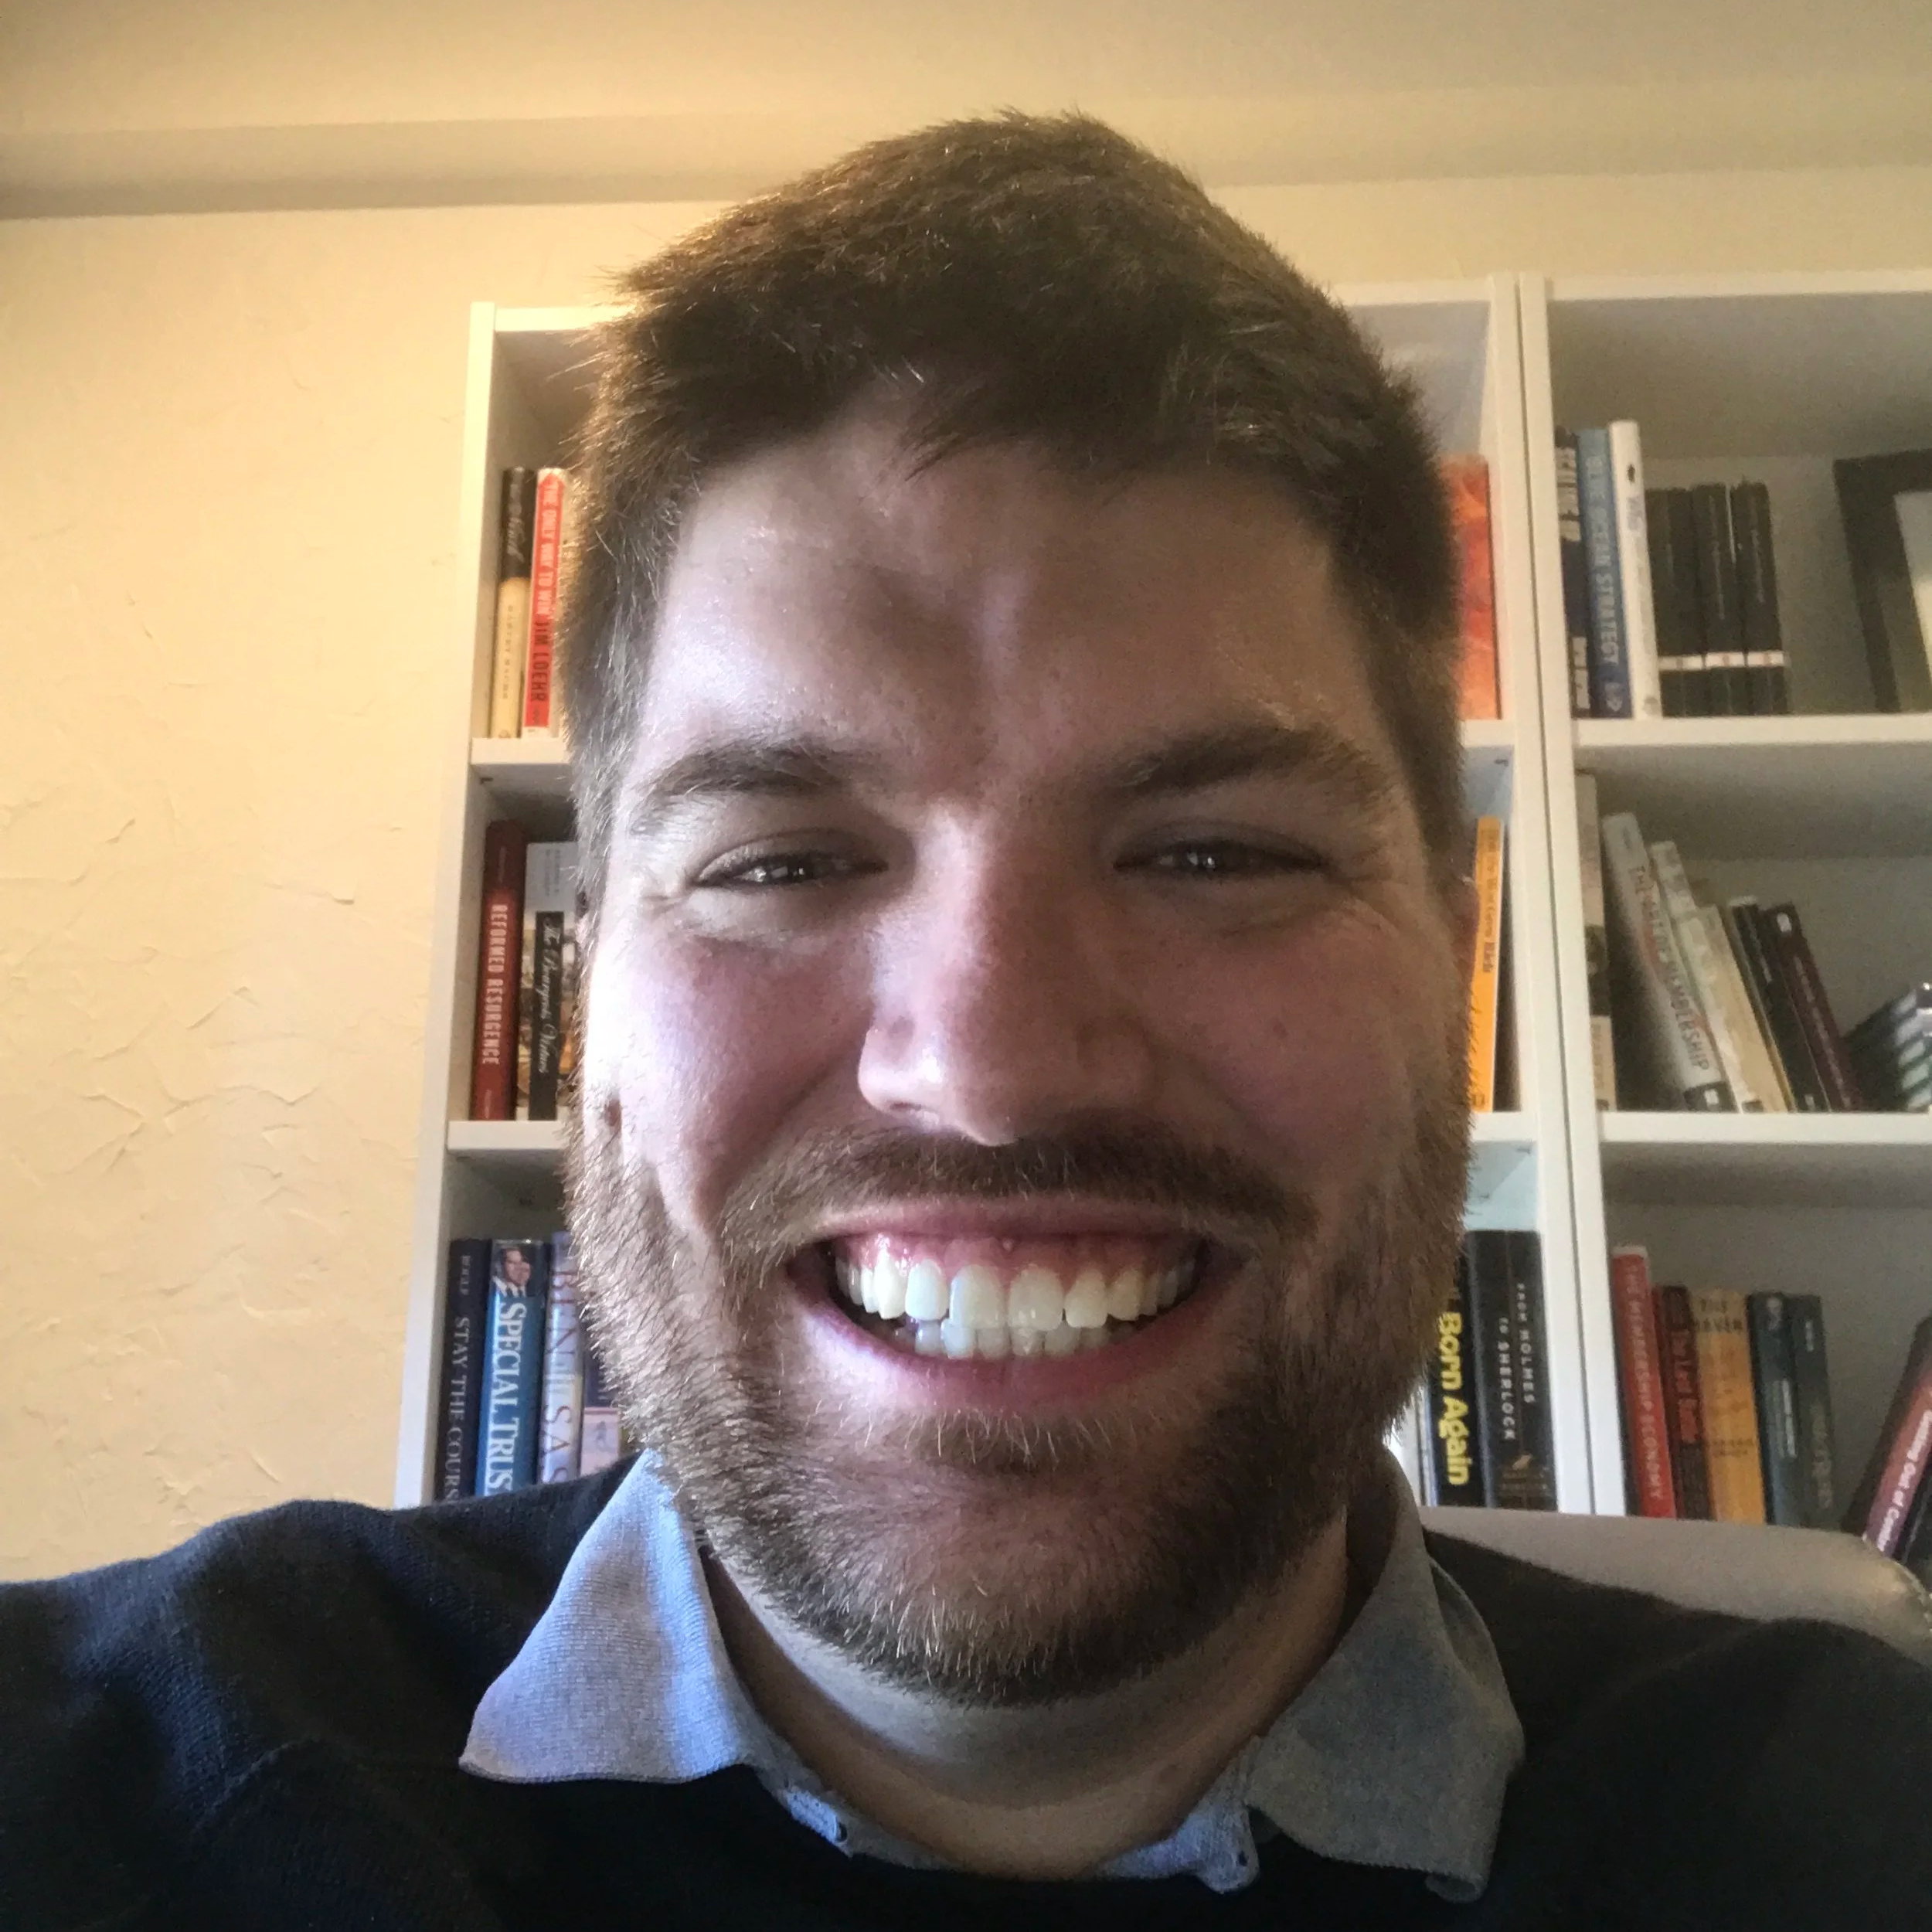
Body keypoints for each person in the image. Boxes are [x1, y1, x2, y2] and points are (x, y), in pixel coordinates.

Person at [2, 113, 1927, 1932]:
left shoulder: (1851, 1815)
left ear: (1450, 957)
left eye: (1211, 853)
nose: (992, 1071)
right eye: (777, 862)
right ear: (584, 1015)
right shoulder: (82, 1784)